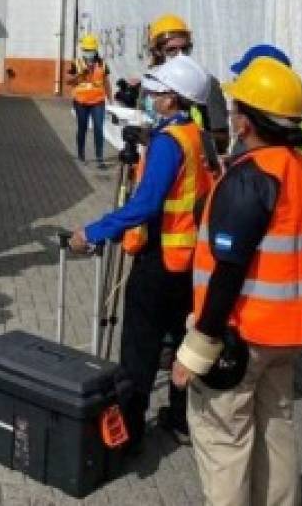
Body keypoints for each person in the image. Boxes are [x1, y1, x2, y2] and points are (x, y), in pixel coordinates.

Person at [172, 56, 302, 506]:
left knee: (223, 440)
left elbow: (228, 270)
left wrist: (197, 348)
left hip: (239, 336)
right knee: (276, 434)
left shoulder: (250, 179)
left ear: (246, 122)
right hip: (288, 334)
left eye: (236, 108)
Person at [70, 53, 212, 446]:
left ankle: (129, 433)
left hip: (160, 260)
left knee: (139, 349)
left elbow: (146, 204)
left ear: (172, 98)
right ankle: (180, 418)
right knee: (181, 342)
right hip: (189, 259)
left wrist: (94, 231)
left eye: (156, 92)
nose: (150, 96)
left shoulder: (169, 143)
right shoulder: (194, 134)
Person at [148, 14, 229, 155]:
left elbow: (222, 139)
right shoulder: (153, 82)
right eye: (172, 49)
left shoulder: (205, 82)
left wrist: (180, 140)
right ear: (157, 52)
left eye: (184, 49)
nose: (180, 55)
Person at [69, 34, 110, 169]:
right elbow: (70, 82)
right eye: (86, 50)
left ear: (95, 50)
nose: (88, 53)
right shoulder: (76, 63)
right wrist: (81, 74)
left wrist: (110, 99)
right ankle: (81, 154)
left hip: (98, 101)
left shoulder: (102, 64)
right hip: (80, 102)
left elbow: (106, 82)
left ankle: (100, 158)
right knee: (82, 127)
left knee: (98, 128)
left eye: (90, 50)